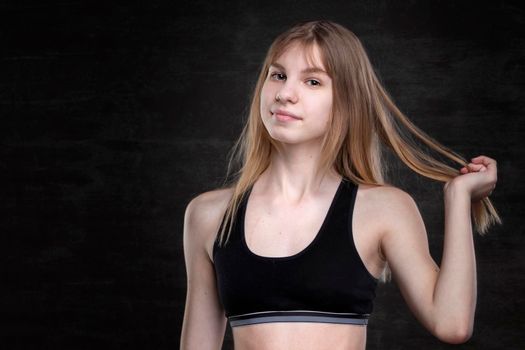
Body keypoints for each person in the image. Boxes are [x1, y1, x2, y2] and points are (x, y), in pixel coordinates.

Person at [180, 20, 501, 350]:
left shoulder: (383, 209)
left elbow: (452, 324)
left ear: (346, 101)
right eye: (278, 75)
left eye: (313, 81)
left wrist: (459, 198)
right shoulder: (209, 215)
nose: (284, 94)